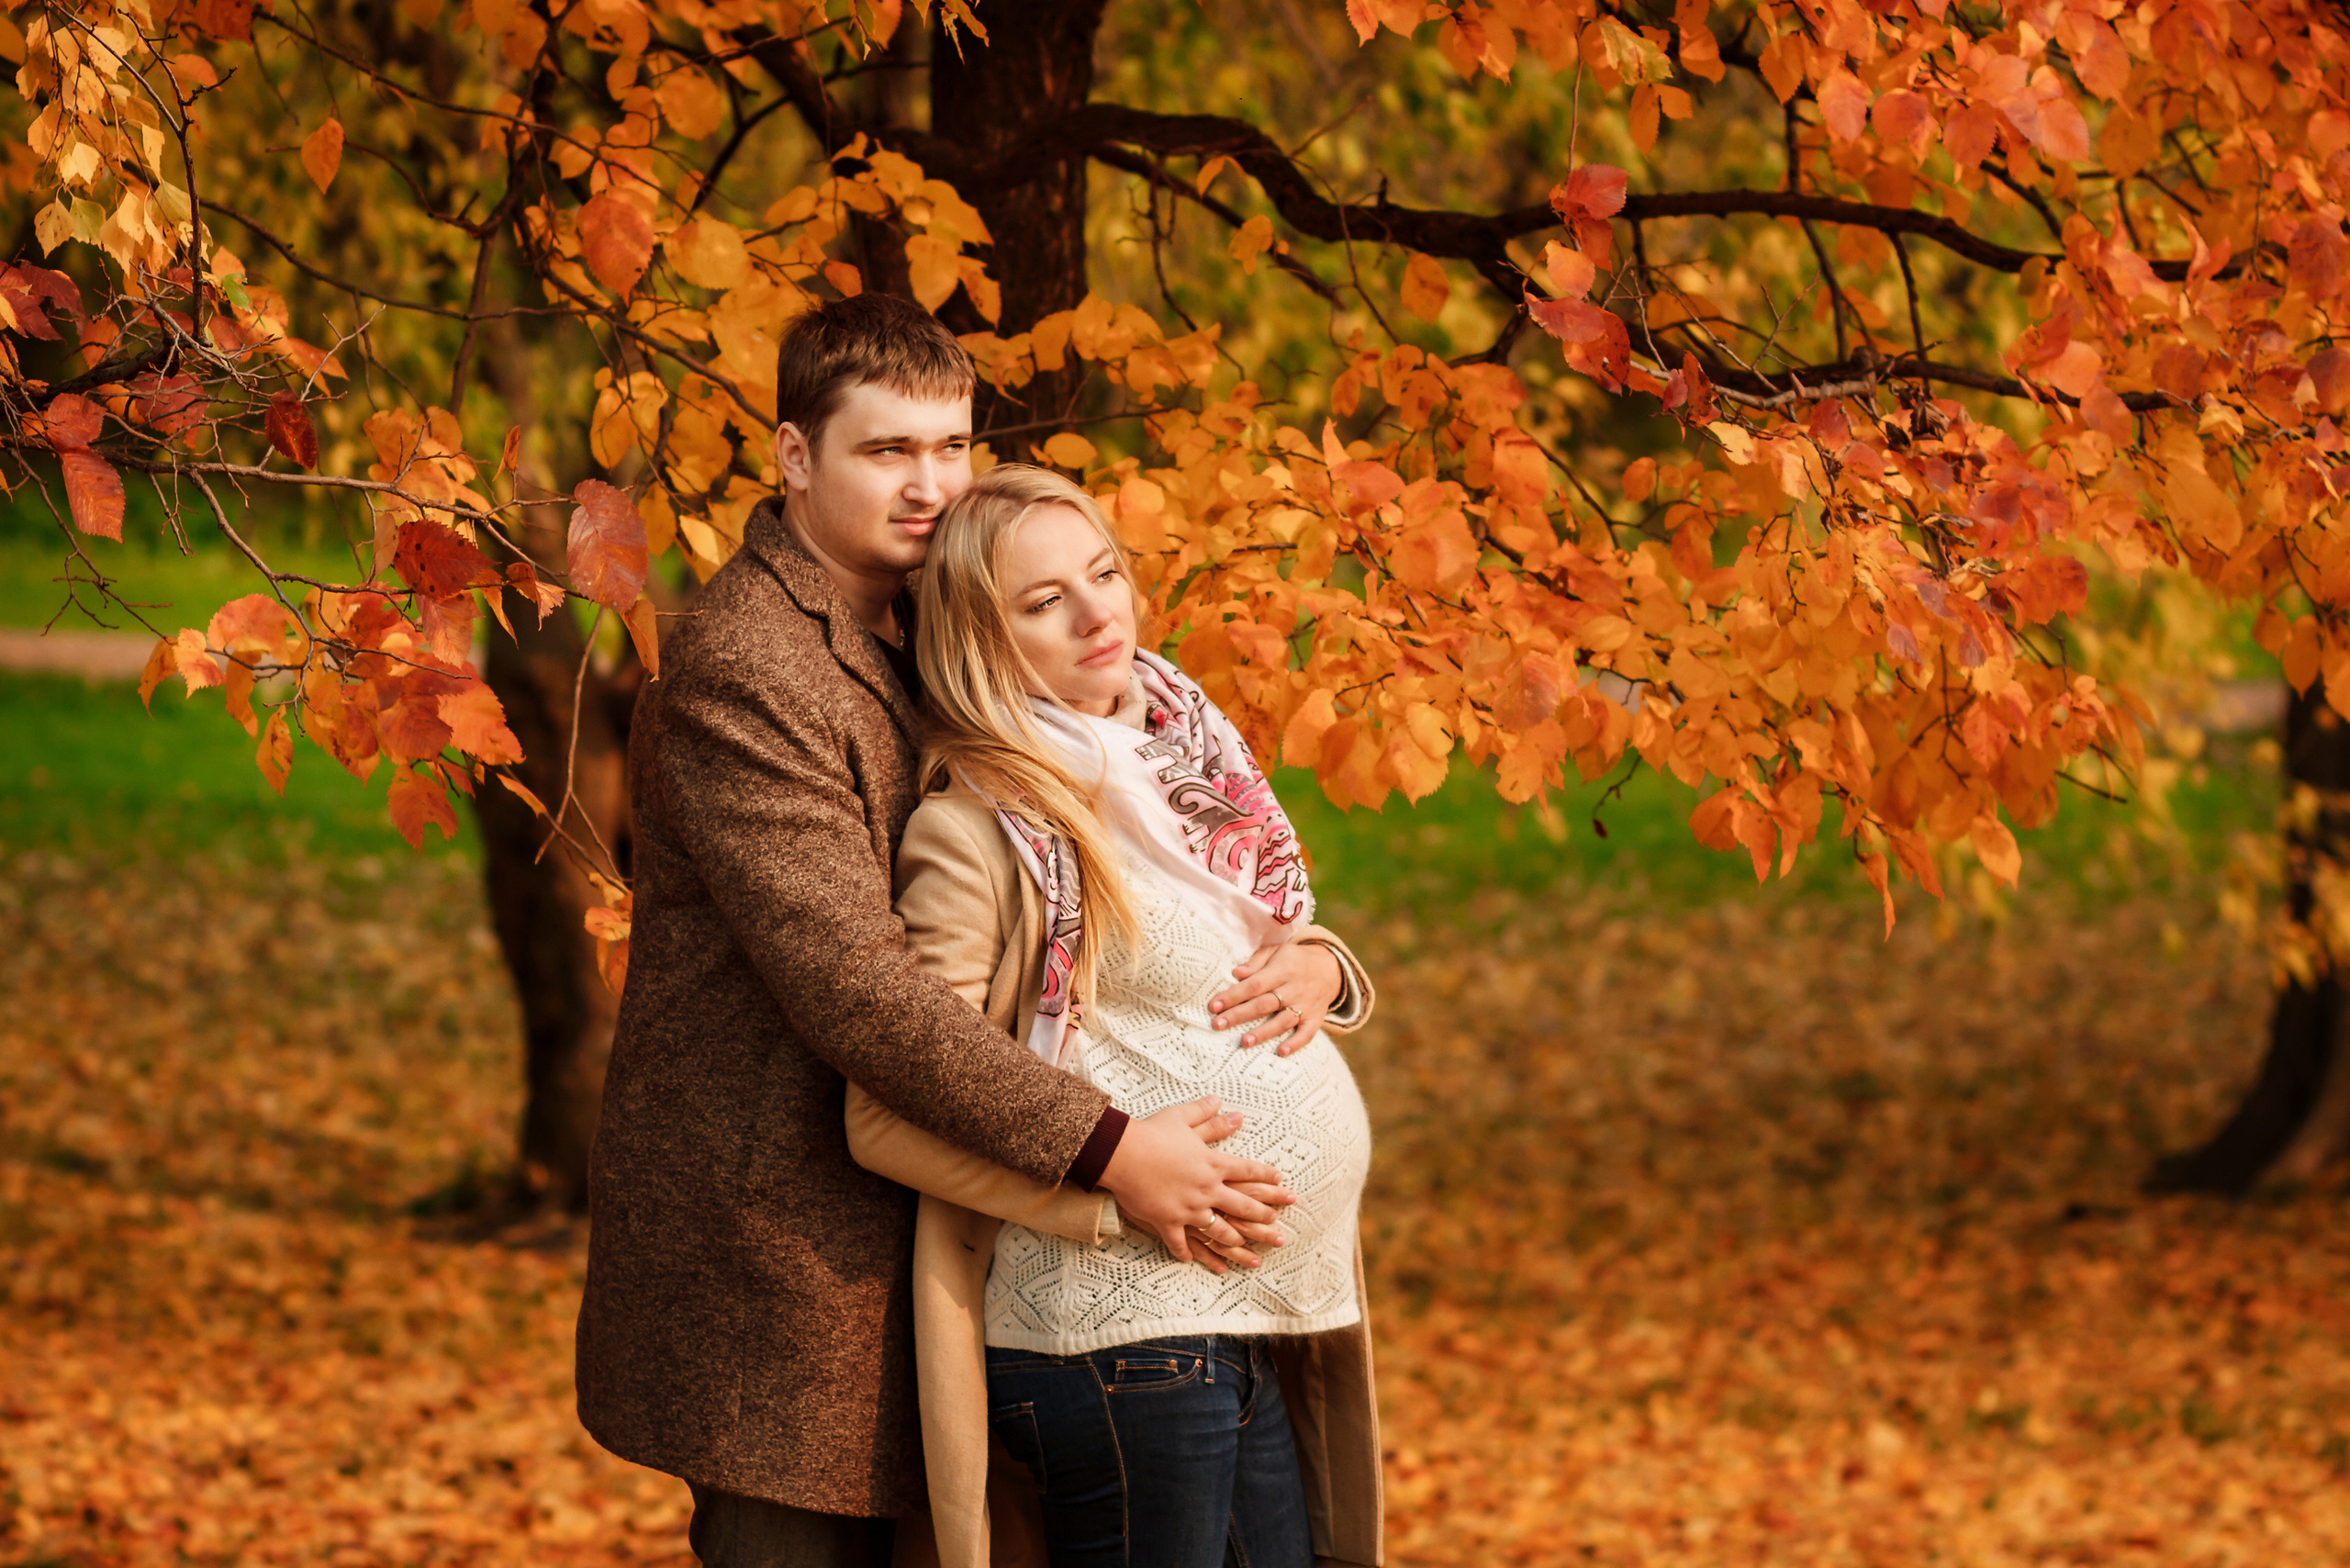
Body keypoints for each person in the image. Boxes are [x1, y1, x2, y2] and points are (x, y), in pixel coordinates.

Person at [576, 296, 1322, 1568]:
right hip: (790, 1262)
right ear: (795, 457)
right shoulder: (746, 666)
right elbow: (856, 988)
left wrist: (1314, 952)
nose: (928, 484)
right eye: (886, 451)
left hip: (975, 1246)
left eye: (950, 446)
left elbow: (1155, 824)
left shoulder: (954, 616)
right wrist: (1111, 1152)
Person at [845, 465, 1383, 1568]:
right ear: (979, 641)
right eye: (1044, 602)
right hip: (1115, 1332)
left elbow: (1237, 951)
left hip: (1233, 1321)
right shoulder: (974, 829)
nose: (1101, 613)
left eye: (1104, 573)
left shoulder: (1182, 760)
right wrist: (1106, 1198)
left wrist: (1325, 966)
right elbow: (892, 1110)